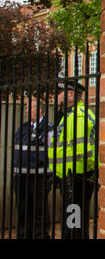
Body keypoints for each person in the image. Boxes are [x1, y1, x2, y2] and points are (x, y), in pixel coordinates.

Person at [48, 80, 99, 239]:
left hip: (77, 178)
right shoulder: (71, 115)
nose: (54, 97)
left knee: (73, 226)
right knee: (73, 223)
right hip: (73, 177)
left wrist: (90, 171)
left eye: (58, 93)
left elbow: (82, 150)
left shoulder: (76, 116)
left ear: (70, 95)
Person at [13, 98, 53, 239]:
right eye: (26, 107)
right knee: (23, 209)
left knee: (39, 210)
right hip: (22, 177)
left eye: (30, 107)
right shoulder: (22, 128)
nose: (27, 110)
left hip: (39, 177)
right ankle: (24, 235)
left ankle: (40, 235)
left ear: (40, 109)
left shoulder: (49, 129)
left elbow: (52, 154)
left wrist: (51, 176)